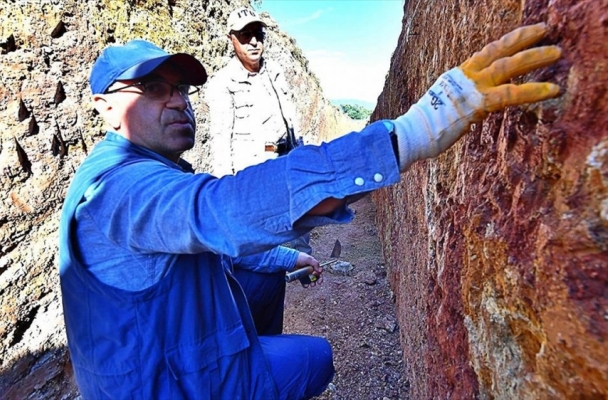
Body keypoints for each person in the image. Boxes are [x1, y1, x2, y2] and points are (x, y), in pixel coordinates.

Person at [58, 22, 562, 399]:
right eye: (153, 89)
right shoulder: (116, 191)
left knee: (261, 278)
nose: (178, 102)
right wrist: (413, 133)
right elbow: (219, 212)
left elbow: (207, 243)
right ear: (105, 105)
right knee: (316, 357)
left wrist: (288, 259)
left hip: (165, 353)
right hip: (160, 384)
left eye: (181, 89)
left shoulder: (136, 170)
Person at [205, 7, 312, 254]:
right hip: (255, 171)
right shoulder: (223, 83)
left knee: (299, 224)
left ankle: (301, 269)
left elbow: (290, 118)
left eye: (258, 34)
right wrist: (226, 189)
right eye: (245, 35)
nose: (253, 41)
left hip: (288, 160)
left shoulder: (274, 72)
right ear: (231, 38)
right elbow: (220, 139)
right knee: (264, 239)